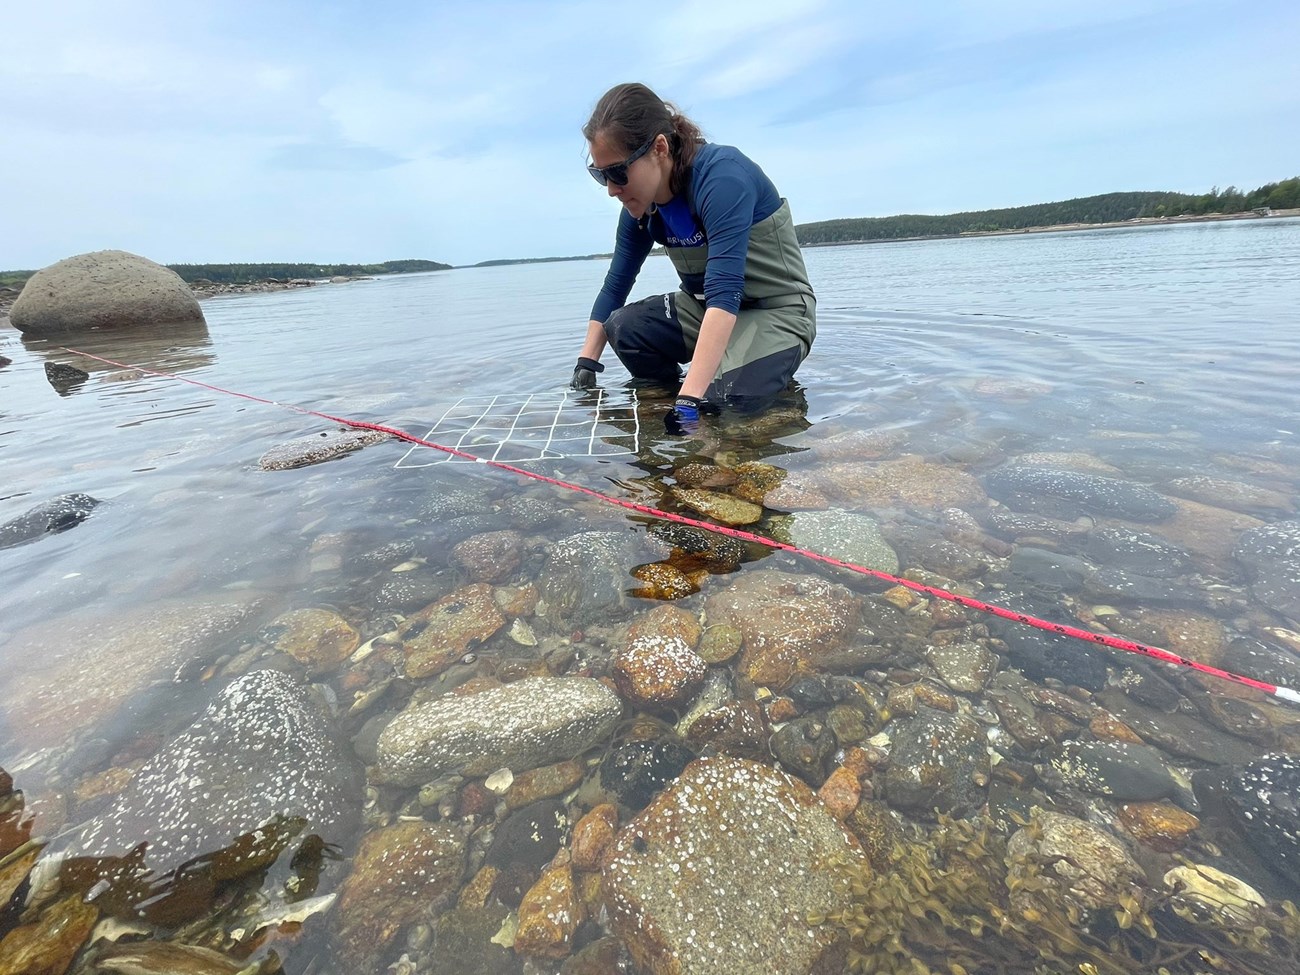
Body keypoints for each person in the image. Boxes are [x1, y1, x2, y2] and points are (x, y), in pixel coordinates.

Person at [570, 82, 816, 432]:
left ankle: (745, 398)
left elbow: (725, 290)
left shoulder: (722, 178)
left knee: (722, 400)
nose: (611, 189)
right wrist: (586, 363)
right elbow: (617, 282)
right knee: (623, 328)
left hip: (775, 311)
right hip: (705, 309)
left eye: (617, 172)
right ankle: (669, 398)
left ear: (659, 147)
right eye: (600, 175)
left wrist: (689, 401)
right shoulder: (641, 209)